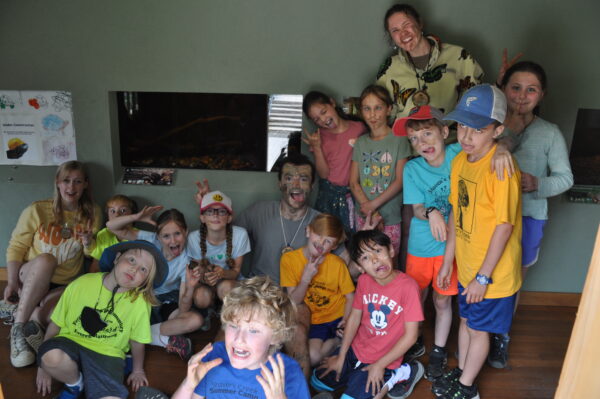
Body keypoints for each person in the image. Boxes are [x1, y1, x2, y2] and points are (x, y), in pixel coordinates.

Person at [434, 84, 522, 399]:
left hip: (491, 275)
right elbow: (457, 215)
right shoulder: (460, 162)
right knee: (467, 321)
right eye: (462, 127)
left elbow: (504, 227)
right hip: (469, 267)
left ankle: (467, 387)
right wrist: (448, 261)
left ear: (497, 130)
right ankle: (462, 372)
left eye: (478, 130)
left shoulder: (502, 169)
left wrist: (483, 277)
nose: (467, 137)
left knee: (477, 328)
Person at [486, 61, 573, 369]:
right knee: (483, 276)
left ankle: (500, 337)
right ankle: (476, 333)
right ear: (503, 89)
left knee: (512, 283)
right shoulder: (488, 126)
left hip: (529, 216)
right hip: (488, 219)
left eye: (531, 89)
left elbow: (565, 178)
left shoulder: (549, 133)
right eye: (515, 87)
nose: (522, 96)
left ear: (542, 95)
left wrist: (538, 183)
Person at [35, 240, 168, 398]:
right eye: (132, 259)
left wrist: (138, 370)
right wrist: (42, 367)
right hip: (70, 342)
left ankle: (104, 374)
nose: (134, 268)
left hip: (108, 354)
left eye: (143, 269)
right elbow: (56, 324)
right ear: (117, 258)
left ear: (145, 281)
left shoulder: (139, 303)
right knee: (49, 356)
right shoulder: (81, 284)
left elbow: (137, 340)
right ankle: (75, 384)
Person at [5, 160, 102, 368]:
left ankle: (25, 311)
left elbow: (92, 253)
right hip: (32, 273)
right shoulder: (38, 210)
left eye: (77, 181)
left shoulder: (92, 213)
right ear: (57, 182)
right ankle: (18, 329)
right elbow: (17, 246)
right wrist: (12, 282)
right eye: (66, 181)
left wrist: (87, 242)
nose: (71, 187)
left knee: (52, 319)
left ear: (85, 184)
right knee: (48, 259)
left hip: (64, 283)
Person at [312, 230, 424, 399]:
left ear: (391, 251)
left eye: (378, 251)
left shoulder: (408, 287)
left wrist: (380, 365)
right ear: (359, 267)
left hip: (385, 359)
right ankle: (354, 375)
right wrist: (342, 356)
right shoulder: (364, 281)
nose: (374, 260)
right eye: (365, 257)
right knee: (317, 381)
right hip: (356, 351)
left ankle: (399, 373)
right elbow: (355, 317)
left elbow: (411, 336)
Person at [394, 105, 460, 380]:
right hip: (421, 248)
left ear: (445, 132)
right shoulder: (412, 168)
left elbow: (496, 142)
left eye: (427, 133)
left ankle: (439, 350)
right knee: (416, 300)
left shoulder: (460, 155)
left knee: (442, 302)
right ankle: (414, 338)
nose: (422, 143)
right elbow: (418, 207)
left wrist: (503, 149)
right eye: (414, 138)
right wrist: (432, 212)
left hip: (451, 248)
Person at [170, 276, 311, 399]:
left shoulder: (289, 373)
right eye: (234, 325)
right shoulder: (213, 357)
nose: (239, 339)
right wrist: (188, 384)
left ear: (276, 336)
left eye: (254, 331)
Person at [107, 207, 203, 360]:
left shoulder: (186, 260)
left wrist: (191, 288)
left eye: (177, 234)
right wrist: (136, 216)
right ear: (158, 237)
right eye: (166, 236)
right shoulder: (150, 240)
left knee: (195, 320)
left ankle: (135, 335)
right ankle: (160, 338)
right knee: (118, 314)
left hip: (165, 301)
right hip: (141, 296)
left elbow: (183, 308)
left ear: (186, 232)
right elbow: (111, 226)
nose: (173, 241)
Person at [376, 3, 483, 119]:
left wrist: (500, 85)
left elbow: (478, 101)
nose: (403, 33)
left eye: (406, 25)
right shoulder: (389, 68)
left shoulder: (458, 56)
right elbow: (379, 111)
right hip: (406, 136)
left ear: (419, 23)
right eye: (395, 30)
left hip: (452, 135)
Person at [280, 214, 354, 366]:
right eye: (318, 235)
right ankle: (336, 342)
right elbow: (294, 301)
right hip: (316, 320)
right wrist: (306, 277)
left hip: (338, 315)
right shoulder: (289, 260)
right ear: (308, 231)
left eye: (328, 241)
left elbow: (350, 297)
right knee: (312, 357)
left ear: (334, 246)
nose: (321, 243)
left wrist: (346, 320)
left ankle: (342, 339)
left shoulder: (337, 263)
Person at [349, 85, 411, 259]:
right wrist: (371, 211)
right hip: (364, 218)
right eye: (367, 109)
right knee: (365, 263)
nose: (372, 114)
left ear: (389, 109)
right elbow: (353, 182)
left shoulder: (399, 140)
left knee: (388, 263)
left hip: (390, 218)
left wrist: (373, 205)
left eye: (378, 108)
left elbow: (400, 181)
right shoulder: (361, 143)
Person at [302, 91, 367, 234]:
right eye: (316, 119)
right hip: (328, 197)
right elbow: (324, 175)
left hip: (354, 195)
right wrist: (317, 147)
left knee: (354, 240)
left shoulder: (359, 128)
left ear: (332, 103)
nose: (323, 120)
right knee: (328, 237)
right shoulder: (319, 138)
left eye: (324, 112)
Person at [187, 190, 250, 309]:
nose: (215, 215)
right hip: (205, 283)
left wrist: (222, 273)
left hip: (229, 281)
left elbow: (235, 272)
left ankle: (229, 318)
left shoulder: (240, 234)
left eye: (221, 212)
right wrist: (206, 277)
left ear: (229, 218)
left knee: (226, 288)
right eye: (210, 212)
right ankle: (210, 312)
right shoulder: (194, 238)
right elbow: (198, 270)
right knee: (201, 297)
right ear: (202, 218)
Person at [89, 194, 138, 273]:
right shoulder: (103, 234)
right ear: (107, 216)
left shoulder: (138, 236)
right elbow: (95, 266)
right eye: (112, 211)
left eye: (123, 210)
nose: (117, 214)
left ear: (132, 214)